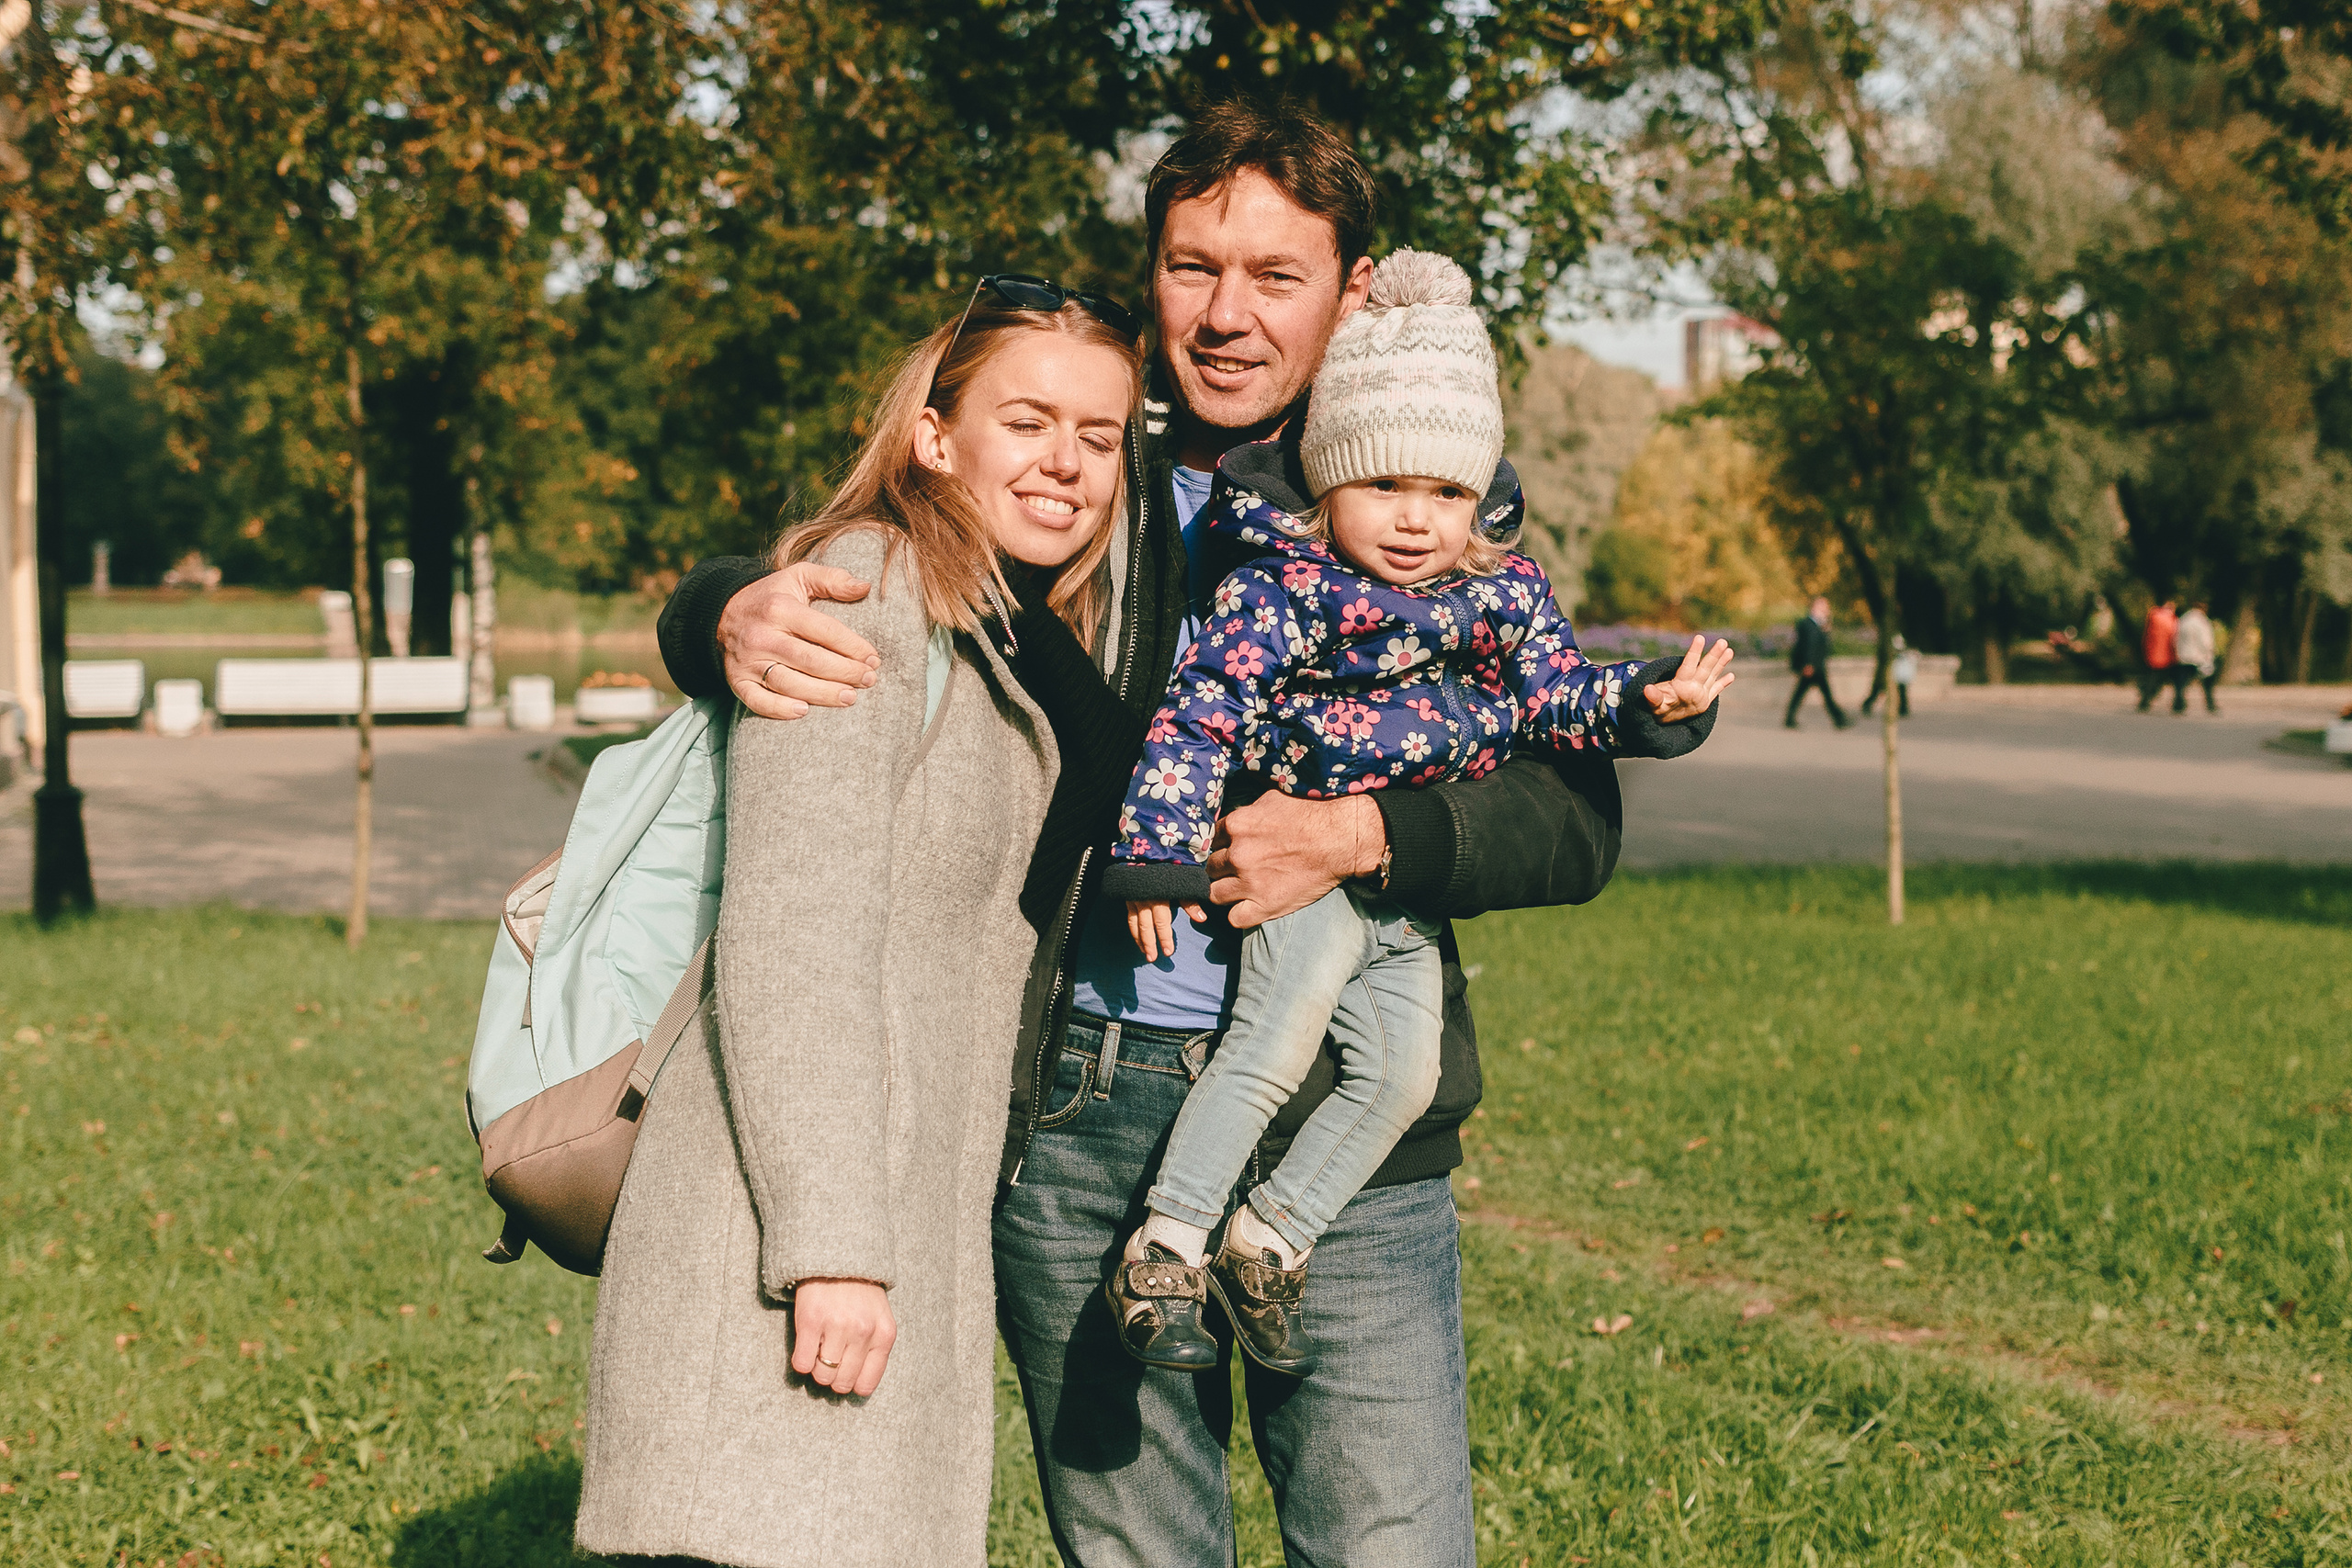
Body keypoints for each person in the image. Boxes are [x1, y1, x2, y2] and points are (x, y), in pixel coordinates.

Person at [652, 102, 1635, 1566]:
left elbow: (1573, 810)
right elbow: (901, 529)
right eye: (1191, 267)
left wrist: (1362, 833)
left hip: (1340, 1126)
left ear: (1355, 290)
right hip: (1084, 1112)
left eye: (1276, 276)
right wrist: (721, 602)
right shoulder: (1090, 456)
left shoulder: (1418, 490)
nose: (1226, 315)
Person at [574, 282, 1143, 1566]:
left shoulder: (1009, 622)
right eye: (1029, 419)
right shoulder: (868, 586)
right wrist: (831, 1248)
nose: (1065, 461)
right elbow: (797, 932)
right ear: (935, 437)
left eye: (1099, 436)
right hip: (785, 1222)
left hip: (896, 1206)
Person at [1101, 250, 1731, 1375]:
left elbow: (1557, 702)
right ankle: (1169, 1237)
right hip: (1308, 864)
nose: (1413, 522)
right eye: (1383, 487)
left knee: (1405, 1074)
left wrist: (1648, 702)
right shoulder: (1280, 589)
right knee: (1277, 1038)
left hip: (1405, 891)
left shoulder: (1502, 593)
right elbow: (1196, 718)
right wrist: (1155, 853)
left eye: (1445, 493)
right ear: (1329, 481)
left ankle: (1271, 1234)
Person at [1786, 596, 1848, 728]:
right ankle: (1839, 719)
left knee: (1805, 693)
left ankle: (1839, 718)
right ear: (1815, 607)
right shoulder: (1808, 624)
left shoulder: (1819, 624)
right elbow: (1808, 646)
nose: (1827, 609)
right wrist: (1808, 664)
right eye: (1823, 606)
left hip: (1816, 665)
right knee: (1821, 694)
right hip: (1813, 666)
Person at [2175, 601, 2220, 715]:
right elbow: (2205, 641)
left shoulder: (2183, 620)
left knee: (2182, 683)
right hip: (2200, 657)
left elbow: (2175, 638)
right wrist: (2210, 651)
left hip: (2184, 656)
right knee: (2207, 683)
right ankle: (2210, 704)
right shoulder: (2202, 621)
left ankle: (2178, 704)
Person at [2137, 598, 2180, 713]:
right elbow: (2174, 636)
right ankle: (2176, 703)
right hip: (2165, 654)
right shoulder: (2169, 619)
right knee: (2159, 679)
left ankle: (2145, 698)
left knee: (2152, 677)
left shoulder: (2153, 616)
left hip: (2152, 652)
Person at [1860, 633, 1915, 717]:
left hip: (1899, 672)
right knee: (1880, 689)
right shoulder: (1892, 635)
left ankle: (1903, 709)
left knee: (1901, 691)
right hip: (1892, 671)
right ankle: (1868, 704)